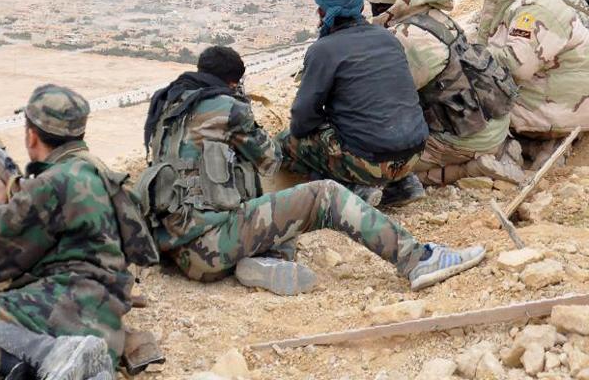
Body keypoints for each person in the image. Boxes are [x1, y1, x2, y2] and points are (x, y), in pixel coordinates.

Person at [140, 45, 486, 296]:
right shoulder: (227, 107)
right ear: (233, 83)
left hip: (177, 252)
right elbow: (269, 159)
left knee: (271, 205)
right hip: (212, 246)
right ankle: (417, 259)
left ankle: (266, 261)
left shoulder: (165, 108)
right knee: (325, 195)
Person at [0, 84, 157, 380]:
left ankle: (49, 365)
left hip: (67, 321)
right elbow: (54, 213)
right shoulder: (92, 170)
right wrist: (13, 186)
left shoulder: (51, 185)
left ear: (31, 135)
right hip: (104, 321)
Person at [362, 0, 525, 189]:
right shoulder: (433, 17)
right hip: (490, 123)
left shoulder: (406, 36)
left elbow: (387, 103)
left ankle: (470, 168)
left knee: (370, 166)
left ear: (379, 1)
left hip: (465, 137)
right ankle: (495, 151)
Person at [277, 0, 429, 206]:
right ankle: (403, 185)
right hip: (414, 153)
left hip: (369, 160)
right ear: (360, 7)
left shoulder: (324, 50)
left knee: (287, 142)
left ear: (321, 10)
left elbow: (301, 119)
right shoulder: (388, 38)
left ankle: (353, 189)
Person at [476, 0, 589, 167]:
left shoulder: (534, 9)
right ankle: (533, 146)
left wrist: (472, 56)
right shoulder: (530, 0)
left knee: (462, 101)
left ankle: (514, 147)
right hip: (559, 100)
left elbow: (517, 65)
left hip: (559, 110)